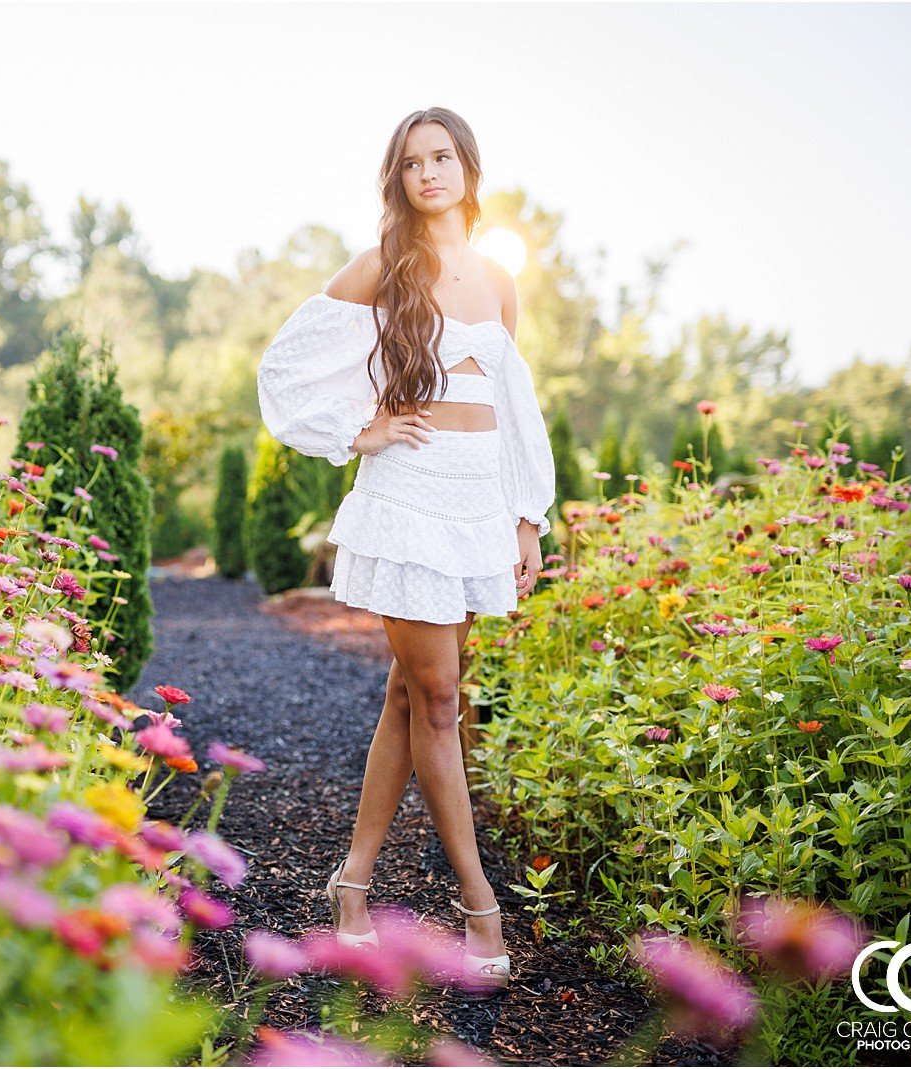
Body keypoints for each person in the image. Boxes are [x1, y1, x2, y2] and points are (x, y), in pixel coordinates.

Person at [255, 106, 557, 996]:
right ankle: (478, 900)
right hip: (410, 492)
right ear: (399, 178)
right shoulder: (386, 264)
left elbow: (514, 404)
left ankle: (352, 882)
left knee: (406, 693)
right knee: (437, 699)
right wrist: (362, 428)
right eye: (413, 161)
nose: (429, 172)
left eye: (443, 157)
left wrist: (526, 516)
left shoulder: (501, 279)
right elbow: (285, 366)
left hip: (476, 500)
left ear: (468, 165)